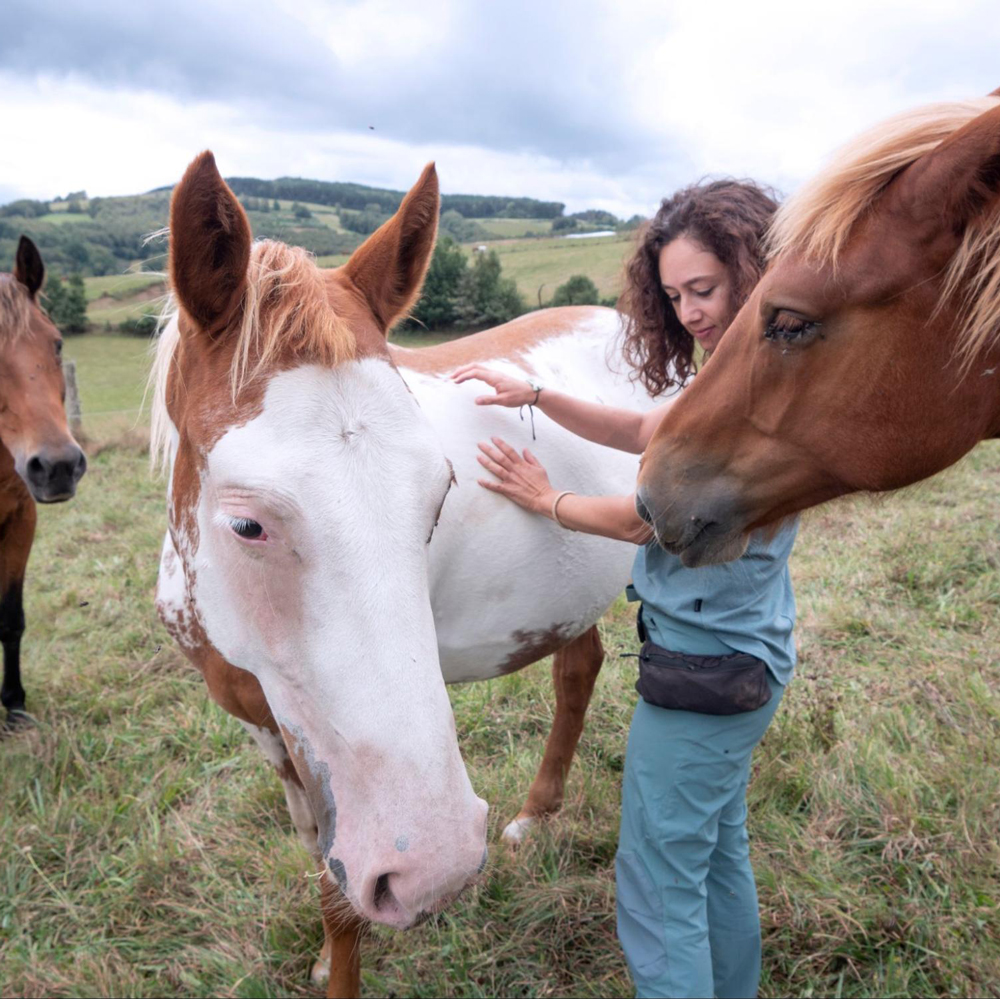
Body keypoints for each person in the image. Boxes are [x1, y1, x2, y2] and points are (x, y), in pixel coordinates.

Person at [451, 179, 793, 999]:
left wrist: (548, 501)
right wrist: (536, 393)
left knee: (655, 876)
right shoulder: (747, 373)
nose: (690, 312)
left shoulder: (756, 398)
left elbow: (650, 518)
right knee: (714, 849)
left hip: (704, 672)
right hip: (746, 659)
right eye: (674, 295)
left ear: (752, 272)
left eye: (704, 289)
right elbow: (650, 429)